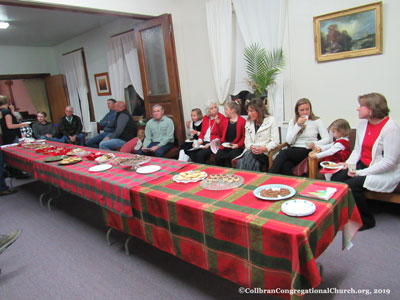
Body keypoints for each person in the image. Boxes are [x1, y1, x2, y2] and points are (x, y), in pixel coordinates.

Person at [332, 93, 400, 231]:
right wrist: (348, 164)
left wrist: (360, 173)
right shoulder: (363, 124)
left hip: (382, 170)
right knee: (336, 177)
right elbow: (357, 149)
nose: (358, 109)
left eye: (361, 106)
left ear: (372, 109)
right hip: (363, 165)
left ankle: (366, 220)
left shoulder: (391, 128)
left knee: (351, 185)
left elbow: (389, 162)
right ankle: (345, 214)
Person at [269, 98, 330, 175]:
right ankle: (290, 184)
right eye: (302, 110)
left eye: (307, 109)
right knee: (286, 165)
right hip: (294, 150)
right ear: (297, 111)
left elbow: (327, 139)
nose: (305, 112)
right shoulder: (293, 121)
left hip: (308, 149)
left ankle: (269, 175)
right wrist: (297, 125)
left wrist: (315, 143)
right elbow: (289, 141)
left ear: (310, 109)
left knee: (283, 153)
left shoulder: (317, 121)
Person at [235, 98, 280, 171]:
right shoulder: (249, 122)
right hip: (251, 151)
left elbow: (275, 141)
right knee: (250, 160)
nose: (248, 114)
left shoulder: (271, 120)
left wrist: (265, 148)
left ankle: (245, 178)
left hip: (265, 153)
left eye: (251, 111)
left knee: (243, 161)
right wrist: (252, 147)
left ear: (259, 111)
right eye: (248, 111)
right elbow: (247, 141)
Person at [215, 101, 245, 167]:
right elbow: (220, 134)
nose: (225, 111)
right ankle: (222, 174)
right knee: (218, 156)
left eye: (226, 109)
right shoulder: (225, 120)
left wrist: (238, 145)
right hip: (226, 146)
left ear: (232, 110)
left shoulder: (242, 121)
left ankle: (232, 174)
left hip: (236, 147)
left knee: (232, 156)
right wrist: (218, 124)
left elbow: (244, 136)